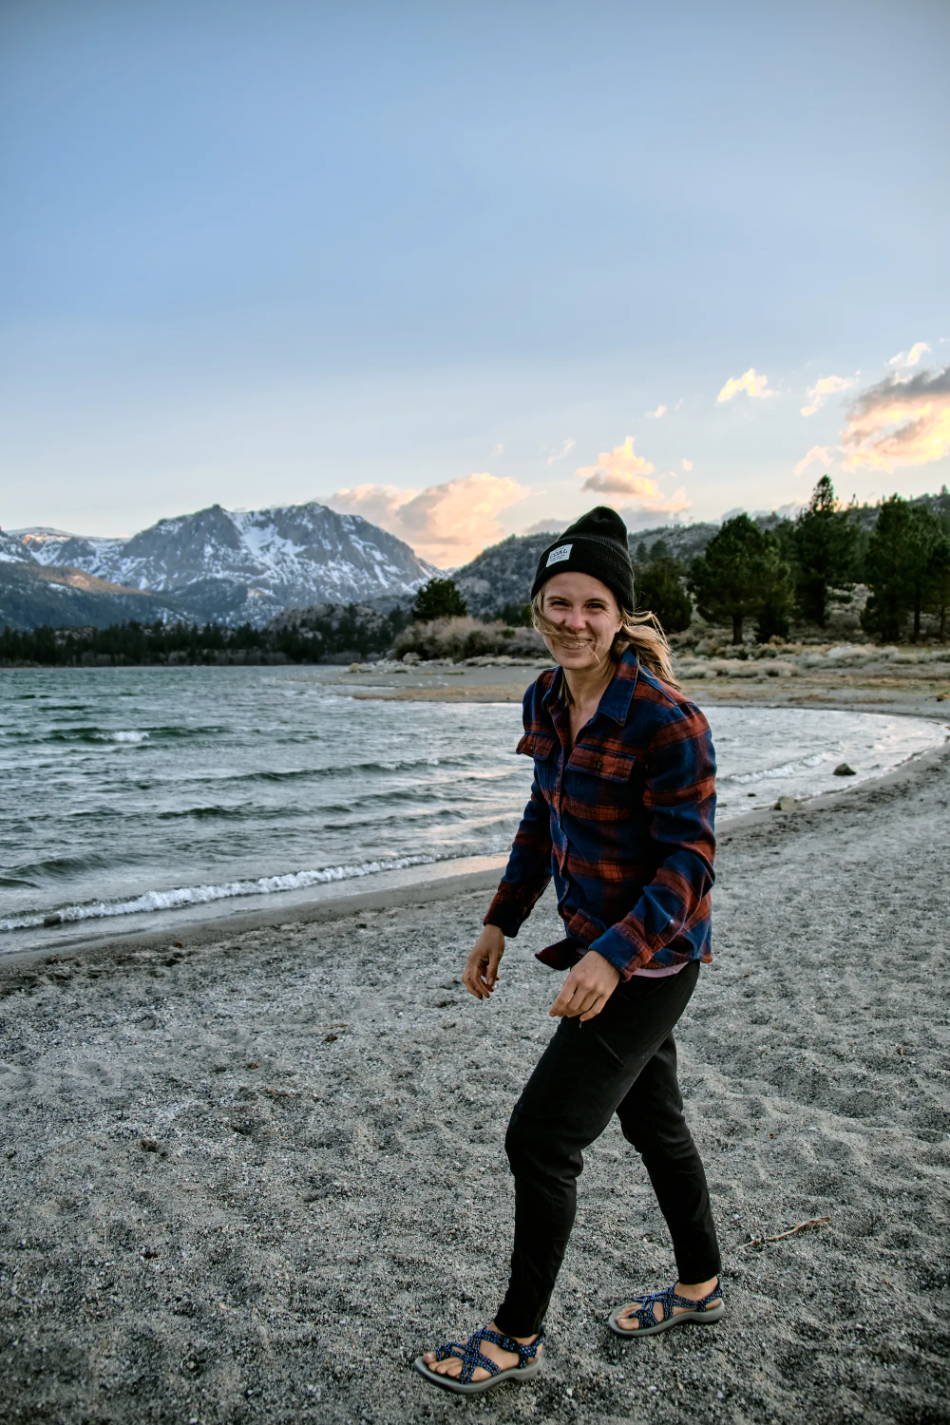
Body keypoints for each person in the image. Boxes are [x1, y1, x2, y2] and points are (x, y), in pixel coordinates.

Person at [413, 506, 723, 1395]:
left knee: (541, 1137)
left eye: (592, 604)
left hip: (653, 959)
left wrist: (613, 957)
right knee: (653, 1118)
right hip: (598, 947)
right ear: (538, 608)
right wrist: (500, 920)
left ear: (620, 614)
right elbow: (542, 818)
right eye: (558, 602)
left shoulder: (668, 719)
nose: (573, 620)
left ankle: (515, 1336)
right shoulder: (546, 697)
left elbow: (690, 861)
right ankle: (700, 1285)